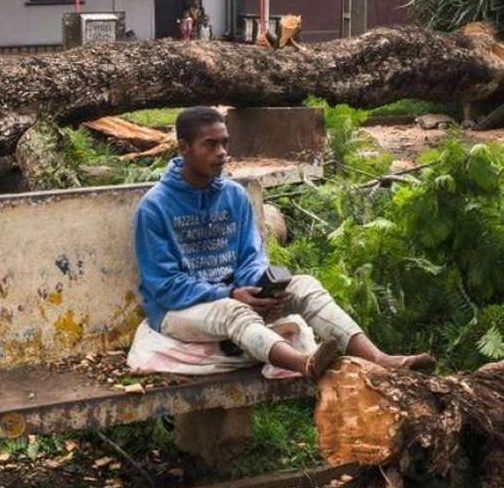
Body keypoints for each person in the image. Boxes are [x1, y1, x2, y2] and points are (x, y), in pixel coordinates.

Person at [133, 106, 436, 381]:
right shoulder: (155, 207)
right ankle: (304, 363)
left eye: (225, 142)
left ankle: (380, 359)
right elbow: (164, 285)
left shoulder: (234, 196)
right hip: (177, 312)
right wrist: (229, 293)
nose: (222, 152)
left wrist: (261, 288)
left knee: (305, 286)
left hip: (235, 297)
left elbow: (251, 257)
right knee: (232, 311)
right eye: (210, 145)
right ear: (184, 148)